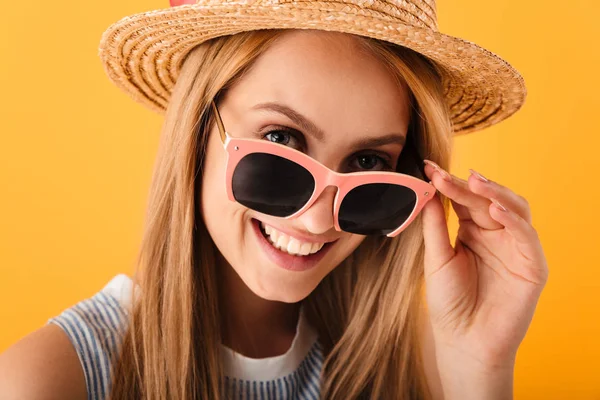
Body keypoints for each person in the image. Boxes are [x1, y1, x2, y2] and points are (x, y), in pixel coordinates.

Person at [0, 0, 549, 398]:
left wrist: (481, 371)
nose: (316, 218)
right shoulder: (51, 380)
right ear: (196, 130)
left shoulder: (424, 370)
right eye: (281, 141)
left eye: (368, 163)